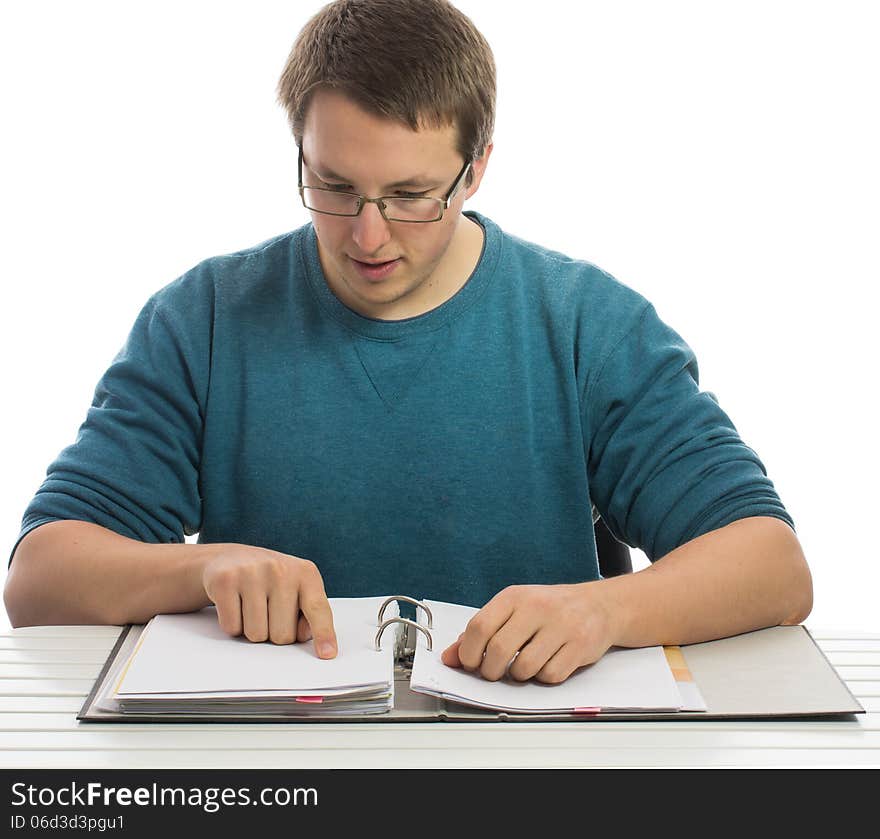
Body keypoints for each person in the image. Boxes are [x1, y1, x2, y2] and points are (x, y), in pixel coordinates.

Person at [3, 0, 812, 685]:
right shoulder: (204, 317)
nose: (367, 234)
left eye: (412, 194)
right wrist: (197, 571)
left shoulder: (586, 323)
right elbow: (39, 579)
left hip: (539, 764)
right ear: (302, 155)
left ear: (478, 167)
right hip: (269, 763)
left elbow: (771, 565)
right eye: (334, 186)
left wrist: (605, 609)